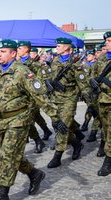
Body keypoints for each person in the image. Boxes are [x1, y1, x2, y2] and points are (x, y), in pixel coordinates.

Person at [0, 39, 67, 199]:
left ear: (13, 53)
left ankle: (3, 192)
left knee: (7, 155)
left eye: (3, 51)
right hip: (1, 122)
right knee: (14, 155)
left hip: (18, 120)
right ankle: (34, 174)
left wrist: (55, 117)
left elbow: (40, 95)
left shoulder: (22, 72)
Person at [46, 38, 93, 168]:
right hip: (55, 98)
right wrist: (48, 84)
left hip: (69, 98)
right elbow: (49, 78)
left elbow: (83, 85)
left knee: (62, 127)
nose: (57, 47)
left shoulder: (75, 65)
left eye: (59, 45)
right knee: (56, 125)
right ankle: (76, 143)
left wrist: (90, 103)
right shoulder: (54, 61)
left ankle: (58, 155)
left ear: (67, 48)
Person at [17, 41, 52, 152]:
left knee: (28, 119)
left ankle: (38, 141)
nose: (17, 50)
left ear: (26, 49)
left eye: (20, 48)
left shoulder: (34, 64)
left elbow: (40, 82)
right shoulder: (16, 63)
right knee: (34, 117)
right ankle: (45, 131)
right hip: (20, 96)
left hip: (32, 96)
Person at [89, 31, 111, 176]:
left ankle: (108, 161)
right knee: (106, 129)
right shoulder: (102, 58)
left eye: (109, 41)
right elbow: (93, 75)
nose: (106, 43)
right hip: (101, 100)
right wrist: (94, 83)